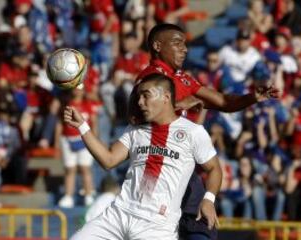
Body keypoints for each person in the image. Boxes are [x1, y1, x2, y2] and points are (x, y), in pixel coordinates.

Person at [130, 23, 279, 239]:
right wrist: (181, 104)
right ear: (157, 45)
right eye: (177, 43)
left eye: (185, 44)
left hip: (180, 163)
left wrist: (251, 97)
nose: (185, 49)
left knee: (203, 225)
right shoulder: (148, 78)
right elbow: (138, 115)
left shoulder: (182, 78)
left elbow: (223, 101)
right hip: (154, 166)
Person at [68, 73, 222, 239]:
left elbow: (214, 168)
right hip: (119, 213)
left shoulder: (193, 132)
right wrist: (82, 126)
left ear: (166, 97)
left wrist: (209, 199)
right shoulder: (136, 130)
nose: (140, 102)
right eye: (139, 96)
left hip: (156, 226)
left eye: (146, 95)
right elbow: (108, 160)